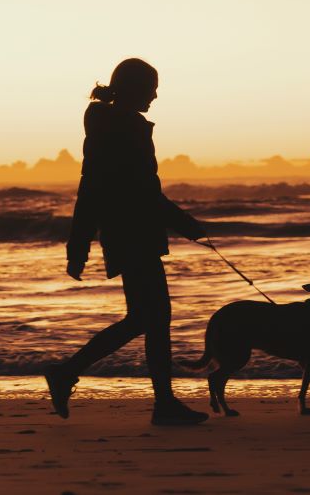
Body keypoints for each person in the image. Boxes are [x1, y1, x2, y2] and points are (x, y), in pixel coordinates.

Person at [44, 58, 209, 426]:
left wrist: (80, 245)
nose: (155, 94)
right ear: (134, 88)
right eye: (151, 86)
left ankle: (70, 373)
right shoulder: (126, 128)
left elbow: (93, 189)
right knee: (153, 317)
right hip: (134, 235)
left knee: (144, 318)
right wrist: (186, 223)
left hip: (126, 234)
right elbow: (136, 192)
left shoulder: (110, 125)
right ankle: (159, 403)